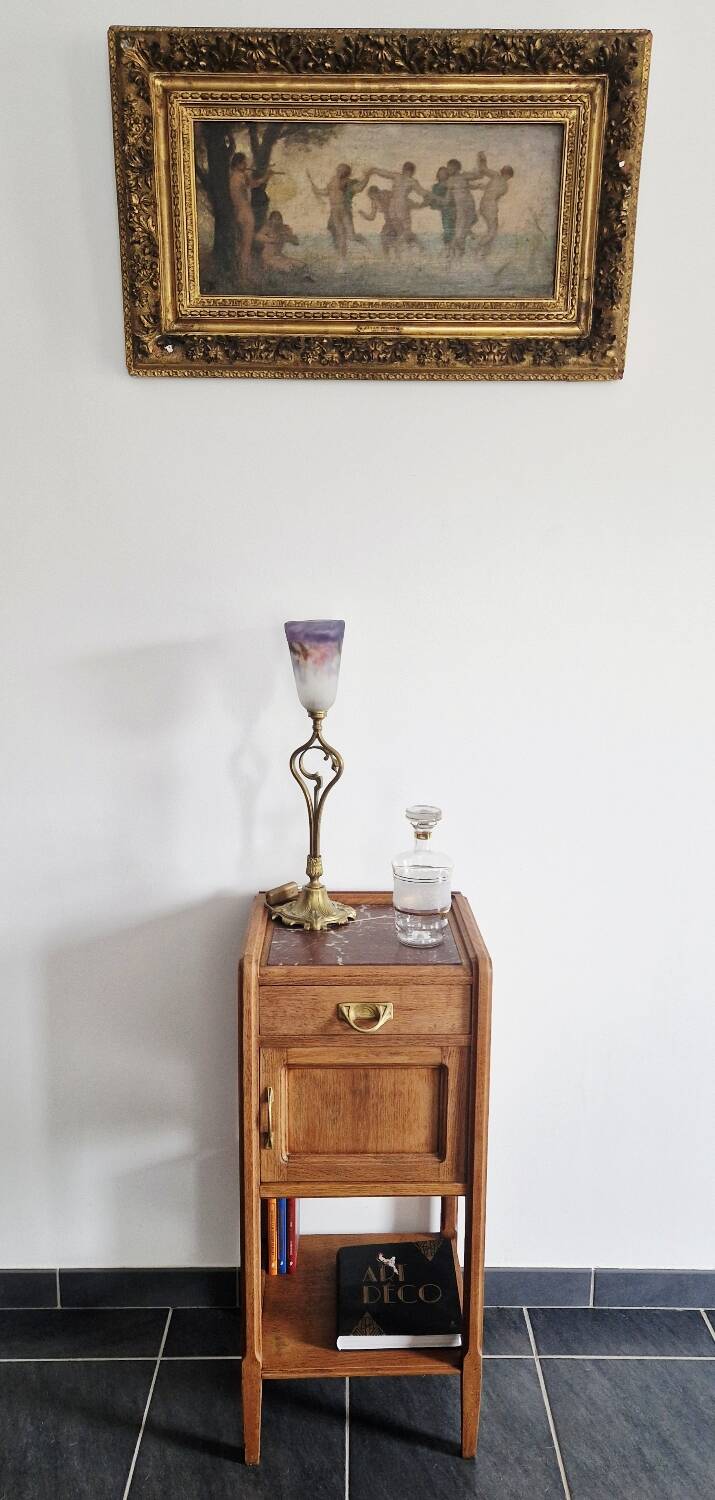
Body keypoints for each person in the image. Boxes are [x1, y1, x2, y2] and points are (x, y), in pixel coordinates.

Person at [308, 163, 373, 257]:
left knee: (351, 236)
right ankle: (342, 260)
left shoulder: (348, 182)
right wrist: (316, 189)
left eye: (342, 170)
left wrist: (367, 177)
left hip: (344, 210)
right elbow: (326, 192)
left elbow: (359, 188)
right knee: (341, 236)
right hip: (334, 211)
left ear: (346, 173)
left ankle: (364, 241)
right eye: (338, 169)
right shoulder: (332, 181)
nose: (339, 171)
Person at [229, 151, 273, 285]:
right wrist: (267, 175)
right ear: (237, 164)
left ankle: (242, 276)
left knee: (242, 245)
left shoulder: (233, 177)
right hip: (246, 214)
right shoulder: (240, 177)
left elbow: (251, 184)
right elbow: (254, 184)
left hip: (238, 214)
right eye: (243, 162)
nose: (246, 165)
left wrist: (262, 176)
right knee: (246, 247)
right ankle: (244, 278)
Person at [370, 161, 429, 248]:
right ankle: (412, 245)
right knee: (405, 230)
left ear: (404, 170)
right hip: (400, 205)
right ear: (412, 171)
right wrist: (428, 199)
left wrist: (375, 170)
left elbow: (385, 173)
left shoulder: (398, 176)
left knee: (402, 230)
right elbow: (422, 192)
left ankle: (412, 245)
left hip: (394, 206)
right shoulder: (411, 181)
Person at [444, 157, 488, 259]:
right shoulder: (450, 181)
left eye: (450, 168)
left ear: (456, 168)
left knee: (463, 229)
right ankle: (456, 251)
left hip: (469, 205)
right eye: (448, 168)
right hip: (460, 207)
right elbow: (448, 197)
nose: (448, 170)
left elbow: (479, 176)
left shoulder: (464, 176)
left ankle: (457, 252)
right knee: (460, 230)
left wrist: (481, 162)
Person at [473, 160, 515, 253]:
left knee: (492, 231)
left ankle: (484, 250)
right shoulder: (505, 186)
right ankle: (478, 248)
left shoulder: (495, 176)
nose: (508, 178)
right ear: (508, 175)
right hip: (490, 206)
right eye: (509, 176)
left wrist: (482, 159)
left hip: (484, 205)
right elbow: (494, 195)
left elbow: (483, 169)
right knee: (492, 232)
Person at [255, 210, 310, 277]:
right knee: (288, 268)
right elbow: (257, 237)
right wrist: (272, 240)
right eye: (275, 219)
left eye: (279, 219)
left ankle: (305, 279)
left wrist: (289, 236)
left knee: (303, 265)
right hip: (268, 258)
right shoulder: (267, 228)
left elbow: (296, 242)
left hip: (280, 256)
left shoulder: (284, 228)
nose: (277, 221)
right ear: (270, 221)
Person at [358, 185, 400, 256]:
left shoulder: (386, 194)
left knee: (395, 241)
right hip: (388, 222)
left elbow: (384, 208)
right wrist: (363, 214)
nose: (372, 199)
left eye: (373, 196)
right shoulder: (375, 201)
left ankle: (396, 257)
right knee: (384, 239)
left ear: (377, 192)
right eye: (371, 198)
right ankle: (387, 259)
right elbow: (372, 217)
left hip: (397, 220)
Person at [426, 165, 457, 256]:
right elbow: (433, 201)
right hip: (444, 210)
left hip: (453, 209)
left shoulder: (450, 184)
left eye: (444, 173)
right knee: (448, 229)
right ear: (438, 175)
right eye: (440, 173)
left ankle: (451, 250)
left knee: (452, 230)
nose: (442, 175)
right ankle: (448, 249)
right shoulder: (435, 186)